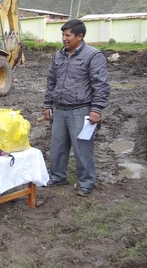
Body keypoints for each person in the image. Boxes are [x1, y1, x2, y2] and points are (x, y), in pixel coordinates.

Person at [43, 19, 110, 197]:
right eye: (63, 35)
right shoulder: (58, 56)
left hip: (81, 110)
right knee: (57, 147)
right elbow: (51, 82)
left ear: (80, 36)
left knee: (82, 149)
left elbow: (101, 85)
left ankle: (86, 182)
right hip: (59, 109)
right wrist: (48, 104)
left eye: (68, 35)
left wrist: (96, 109)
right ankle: (58, 176)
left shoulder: (93, 56)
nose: (64, 38)